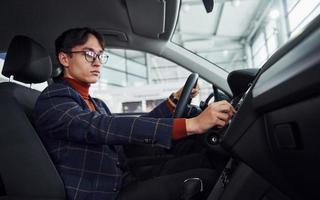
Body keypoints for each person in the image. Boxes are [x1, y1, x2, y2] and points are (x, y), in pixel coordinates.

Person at [33, 27, 235, 200]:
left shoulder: (96, 102)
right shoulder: (53, 99)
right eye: (89, 54)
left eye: (100, 55)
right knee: (208, 179)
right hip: (103, 192)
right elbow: (99, 127)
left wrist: (173, 102)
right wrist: (193, 124)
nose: (98, 62)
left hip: (121, 175)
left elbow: (125, 134)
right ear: (65, 58)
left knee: (202, 161)